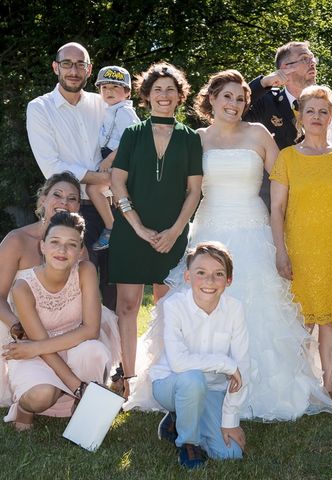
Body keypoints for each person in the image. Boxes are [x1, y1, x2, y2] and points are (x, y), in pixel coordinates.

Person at [124, 70, 332, 420]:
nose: (234, 104)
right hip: (208, 229)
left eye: (240, 99)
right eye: (227, 97)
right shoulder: (195, 138)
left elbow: (287, 178)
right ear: (211, 99)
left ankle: (261, 387)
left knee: (259, 306)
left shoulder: (259, 134)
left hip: (254, 230)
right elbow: (181, 187)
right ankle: (199, 382)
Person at [0, 172, 120, 407]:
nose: (64, 202)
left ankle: (75, 388)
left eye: (72, 198)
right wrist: (18, 328)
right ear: (43, 199)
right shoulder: (16, 240)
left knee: (89, 347)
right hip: (19, 321)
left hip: (65, 322)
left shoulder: (77, 249)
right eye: (57, 195)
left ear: (78, 207)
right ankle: (39, 387)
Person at [109, 62, 203, 398]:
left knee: (167, 309)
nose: (164, 95)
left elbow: (194, 190)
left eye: (171, 89)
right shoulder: (132, 135)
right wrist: (135, 224)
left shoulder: (190, 138)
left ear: (180, 96)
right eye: (158, 89)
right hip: (131, 233)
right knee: (128, 306)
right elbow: (117, 180)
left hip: (172, 235)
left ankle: (163, 377)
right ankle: (128, 379)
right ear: (147, 96)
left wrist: (177, 230)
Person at [270, 85, 332, 403]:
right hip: (299, 249)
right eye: (310, 111)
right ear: (300, 116)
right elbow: (277, 209)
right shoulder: (287, 158)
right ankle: (297, 382)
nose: (317, 117)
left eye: (323, 111)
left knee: (330, 319)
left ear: (331, 117)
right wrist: (280, 250)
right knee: (300, 319)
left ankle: (327, 386)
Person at [0, 212, 113, 431]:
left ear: (80, 251)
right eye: (55, 242)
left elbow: (91, 330)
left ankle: (79, 401)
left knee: (95, 350)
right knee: (41, 396)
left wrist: (35, 347)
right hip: (37, 357)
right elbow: (42, 346)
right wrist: (77, 385)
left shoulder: (86, 271)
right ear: (42, 246)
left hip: (66, 346)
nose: (62, 251)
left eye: (71, 244)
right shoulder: (23, 288)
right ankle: (25, 408)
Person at [26, 41, 115, 310]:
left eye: (80, 64)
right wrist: (101, 178)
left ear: (90, 70)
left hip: (113, 208)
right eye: (67, 63)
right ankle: (73, 349)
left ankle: (115, 352)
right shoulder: (40, 108)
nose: (73, 70)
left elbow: (126, 140)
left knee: (115, 291)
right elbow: (52, 167)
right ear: (56, 67)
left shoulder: (104, 105)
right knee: (75, 289)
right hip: (71, 210)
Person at [151, 242, 249, 469]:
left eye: (218, 274)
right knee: (192, 380)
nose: (209, 281)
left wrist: (230, 421)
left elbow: (241, 368)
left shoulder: (235, 309)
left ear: (229, 280)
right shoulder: (175, 306)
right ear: (187, 276)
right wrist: (225, 363)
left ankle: (181, 420)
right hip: (170, 383)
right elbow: (178, 363)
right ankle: (188, 443)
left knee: (230, 454)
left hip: (212, 389)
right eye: (201, 273)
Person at [244, 41, 318, 209]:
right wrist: (263, 83)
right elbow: (235, 109)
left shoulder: (327, 101)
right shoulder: (267, 100)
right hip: (275, 201)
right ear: (285, 68)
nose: (312, 63)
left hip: (316, 197)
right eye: (305, 59)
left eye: (312, 58)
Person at [88, 65, 141, 251]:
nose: (108, 91)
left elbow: (133, 139)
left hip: (120, 159)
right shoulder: (109, 110)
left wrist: (109, 159)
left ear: (127, 92)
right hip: (111, 158)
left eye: (115, 87)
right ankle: (117, 228)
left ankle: (111, 229)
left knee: (93, 189)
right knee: (105, 194)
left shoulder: (124, 112)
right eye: (104, 88)